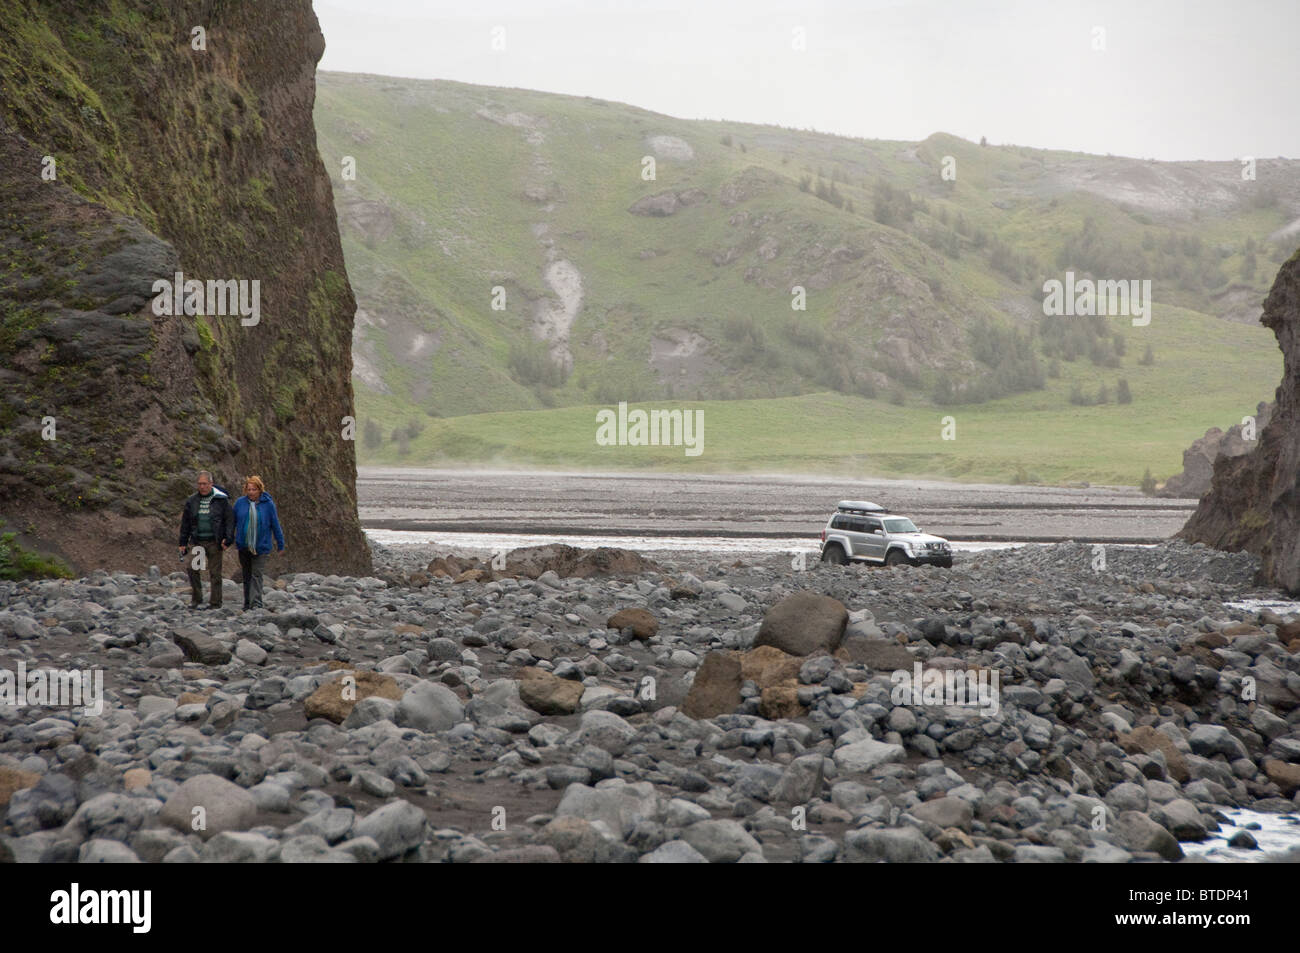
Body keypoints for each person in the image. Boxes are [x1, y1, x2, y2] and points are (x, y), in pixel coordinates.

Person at [178, 470, 234, 610]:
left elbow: (229, 520)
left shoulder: (221, 500)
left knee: (215, 573)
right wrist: (182, 542)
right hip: (198, 542)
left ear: (211, 484)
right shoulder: (192, 501)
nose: (202, 486)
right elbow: (186, 523)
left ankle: (215, 603)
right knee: (193, 569)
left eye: (204, 484)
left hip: (215, 542)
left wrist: (228, 539)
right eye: (199, 484)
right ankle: (197, 599)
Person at [232, 475, 285, 610]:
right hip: (244, 545)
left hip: (261, 546)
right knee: (247, 575)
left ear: (260, 490)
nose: (251, 492)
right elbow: (232, 523)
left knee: (256, 574)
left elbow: (275, 524)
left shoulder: (268, 504)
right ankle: (247, 603)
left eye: (254, 489)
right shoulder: (240, 503)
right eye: (249, 489)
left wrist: (280, 543)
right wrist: (227, 539)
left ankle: (256, 603)